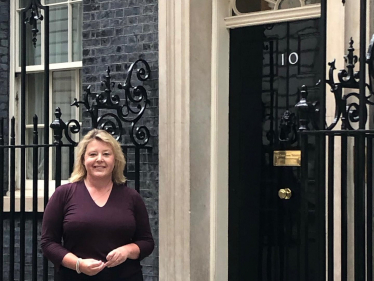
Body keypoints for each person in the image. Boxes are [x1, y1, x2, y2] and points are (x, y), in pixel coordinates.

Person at [41, 129, 154, 281]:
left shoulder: (132, 197)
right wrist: (78, 264)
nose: (99, 159)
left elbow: (147, 242)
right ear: (83, 159)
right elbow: (48, 243)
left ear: (115, 160)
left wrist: (127, 250)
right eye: (93, 154)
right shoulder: (64, 194)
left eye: (106, 154)